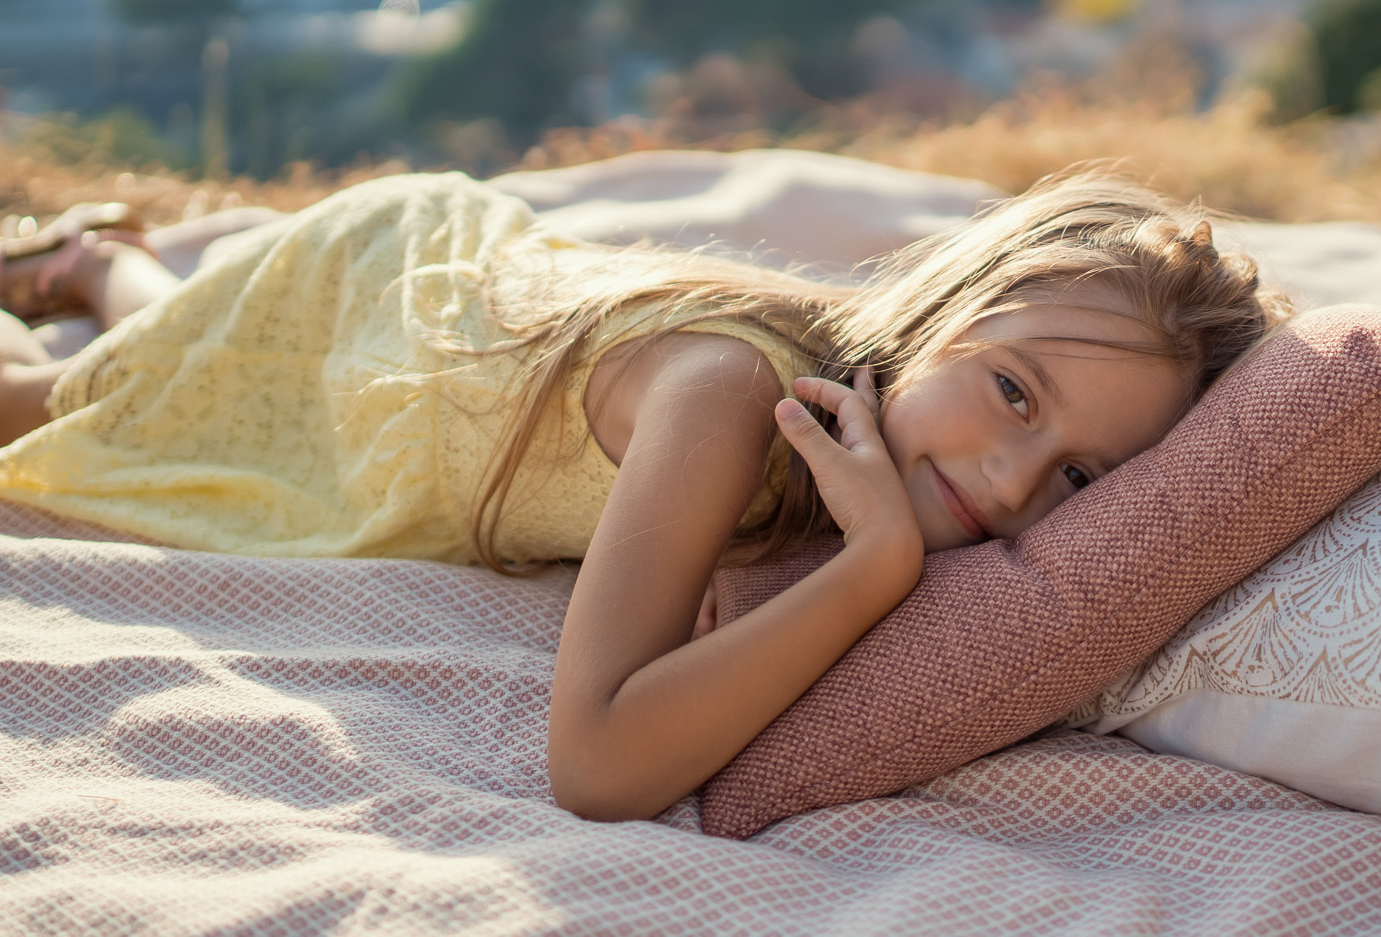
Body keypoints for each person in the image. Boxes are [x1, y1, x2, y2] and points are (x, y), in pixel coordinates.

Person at [0, 167, 1287, 821]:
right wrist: (868, 571)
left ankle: (96, 265)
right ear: (944, 310)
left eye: (1078, 475)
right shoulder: (733, 396)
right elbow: (599, 763)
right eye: (1010, 390)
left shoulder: (887, 444)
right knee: (70, 416)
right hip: (385, 321)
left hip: (468, 336)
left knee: (134, 381)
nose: (1011, 485)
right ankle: (101, 266)